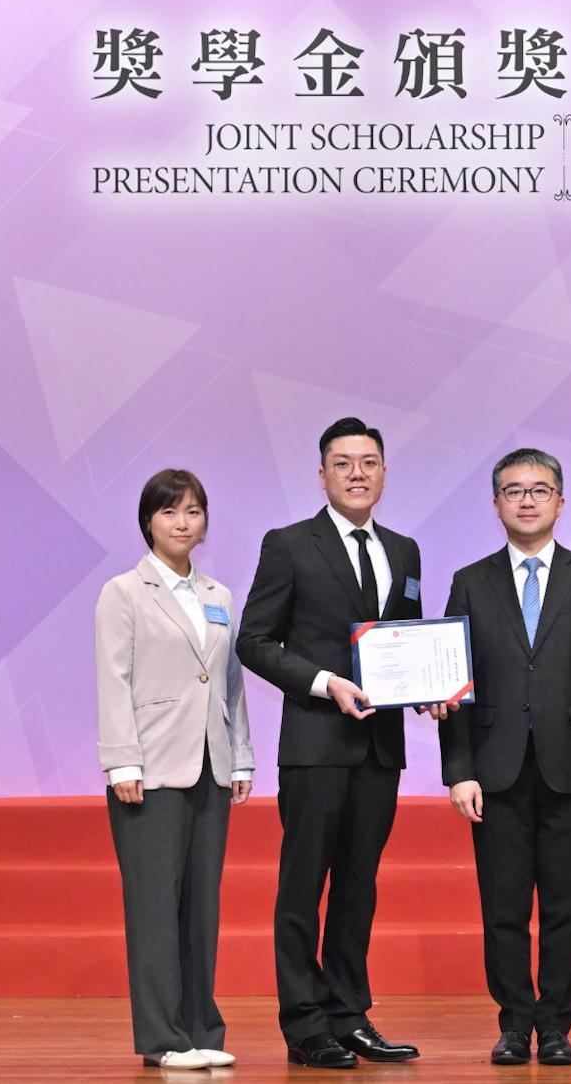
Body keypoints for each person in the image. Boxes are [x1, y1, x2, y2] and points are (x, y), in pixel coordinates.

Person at [235, 417, 428, 1069]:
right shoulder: (289, 544)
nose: (356, 473)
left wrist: (428, 688)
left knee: (357, 887)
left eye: (368, 462)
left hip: (379, 749)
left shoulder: (404, 550)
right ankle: (304, 1023)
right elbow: (254, 641)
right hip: (316, 745)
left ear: (383, 472)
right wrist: (323, 683)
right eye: (342, 463)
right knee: (302, 887)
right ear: (322, 475)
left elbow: (404, 642)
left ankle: (349, 1015)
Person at [437, 447, 571, 1067]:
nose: (527, 500)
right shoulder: (470, 580)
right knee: (504, 908)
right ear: (496, 504)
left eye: (539, 490)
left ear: (560, 502)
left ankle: (557, 1027)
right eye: (514, 491)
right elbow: (454, 682)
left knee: (568, 908)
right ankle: (515, 1024)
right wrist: (459, 770)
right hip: (495, 771)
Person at [94, 469, 253, 1071]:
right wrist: (122, 761)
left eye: (192, 511)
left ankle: (200, 1028)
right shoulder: (123, 592)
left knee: (201, 905)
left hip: (210, 763)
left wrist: (240, 755)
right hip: (151, 764)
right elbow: (113, 679)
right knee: (155, 904)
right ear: (148, 522)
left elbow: (230, 682)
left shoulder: (219, 594)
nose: (182, 523)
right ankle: (163, 1038)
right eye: (169, 512)